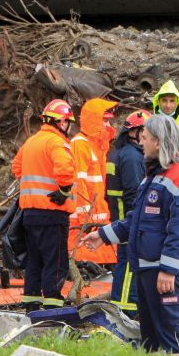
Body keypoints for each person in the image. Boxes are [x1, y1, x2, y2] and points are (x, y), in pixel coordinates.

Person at [83, 115, 179, 354]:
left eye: (145, 138)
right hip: (147, 268)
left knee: (173, 338)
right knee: (151, 340)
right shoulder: (155, 175)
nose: (141, 143)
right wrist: (104, 235)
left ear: (158, 142)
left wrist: (168, 269)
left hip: (164, 271)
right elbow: (137, 220)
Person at [11, 99, 77, 309]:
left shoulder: (31, 142)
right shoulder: (57, 142)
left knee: (34, 261)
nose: (68, 127)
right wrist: (64, 191)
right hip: (52, 212)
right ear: (61, 122)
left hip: (29, 214)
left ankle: (31, 303)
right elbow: (66, 172)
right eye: (68, 122)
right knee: (54, 261)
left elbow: (17, 167)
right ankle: (53, 306)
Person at [105, 109, 150, 316]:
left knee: (125, 263)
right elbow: (134, 192)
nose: (147, 136)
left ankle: (125, 308)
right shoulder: (132, 157)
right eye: (145, 132)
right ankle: (125, 311)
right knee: (130, 265)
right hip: (128, 218)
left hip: (120, 215)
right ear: (134, 132)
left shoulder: (119, 152)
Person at [68, 98, 118, 265]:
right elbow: (77, 184)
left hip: (96, 217)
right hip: (83, 221)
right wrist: (85, 217)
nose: (107, 125)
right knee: (84, 261)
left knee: (100, 261)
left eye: (108, 120)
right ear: (93, 120)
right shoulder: (80, 145)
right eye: (104, 120)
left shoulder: (98, 146)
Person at [151, 80, 179, 150]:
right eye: (164, 100)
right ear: (158, 102)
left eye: (172, 101)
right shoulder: (151, 126)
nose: (168, 105)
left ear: (178, 103)